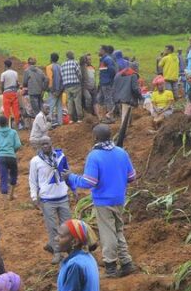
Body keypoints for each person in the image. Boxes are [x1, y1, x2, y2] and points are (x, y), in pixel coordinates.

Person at [68, 125, 137, 278]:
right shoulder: (121, 152)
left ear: (95, 138)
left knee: (108, 233)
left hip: (104, 200)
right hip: (119, 198)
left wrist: (71, 177)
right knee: (118, 229)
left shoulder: (95, 156)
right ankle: (126, 262)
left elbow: (89, 182)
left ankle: (111, 266)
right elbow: (132, 177)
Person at [29, 138, 72, 264]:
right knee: (52, 227)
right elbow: (32, 180)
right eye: (42, 144)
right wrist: (34, 197)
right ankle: (57, 252)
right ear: (39, 146)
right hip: (47, 199)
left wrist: (73, 189)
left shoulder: (60, 156)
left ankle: (69, 250)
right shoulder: (35, 161)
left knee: (67, 226)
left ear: (51, 143)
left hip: (63, 196)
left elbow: (67, 172)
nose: (45, 146)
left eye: (47, 143)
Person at [0, 115, 22, 200]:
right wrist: (12, 151)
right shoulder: (13, 132)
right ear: (7, 123)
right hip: (11, 157)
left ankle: (5, 202)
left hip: (1, 157)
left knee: (3, 177)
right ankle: (12, 194)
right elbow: (18, 145)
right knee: (14, 175)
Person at [61, 51, 83, 123]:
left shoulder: (63, 64)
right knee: (77, 101)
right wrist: (80, 81)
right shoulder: (75, 62)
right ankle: (79, 118)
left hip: (67, 85)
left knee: (70, 101)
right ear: (72, 56)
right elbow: (79, 74)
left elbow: (62, 75)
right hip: (75, 84)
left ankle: (70, 119)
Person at [0, 59, 21, 129]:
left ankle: (6, 126)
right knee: (15, 109)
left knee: (6, 110)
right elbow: (17, 84)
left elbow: (2, 85)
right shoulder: (15, 73)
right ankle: (17, 124)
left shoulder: (3, 74)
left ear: (5, 65)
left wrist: (3, 92)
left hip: (6, 93)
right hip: (14, 92)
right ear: (11, 65)